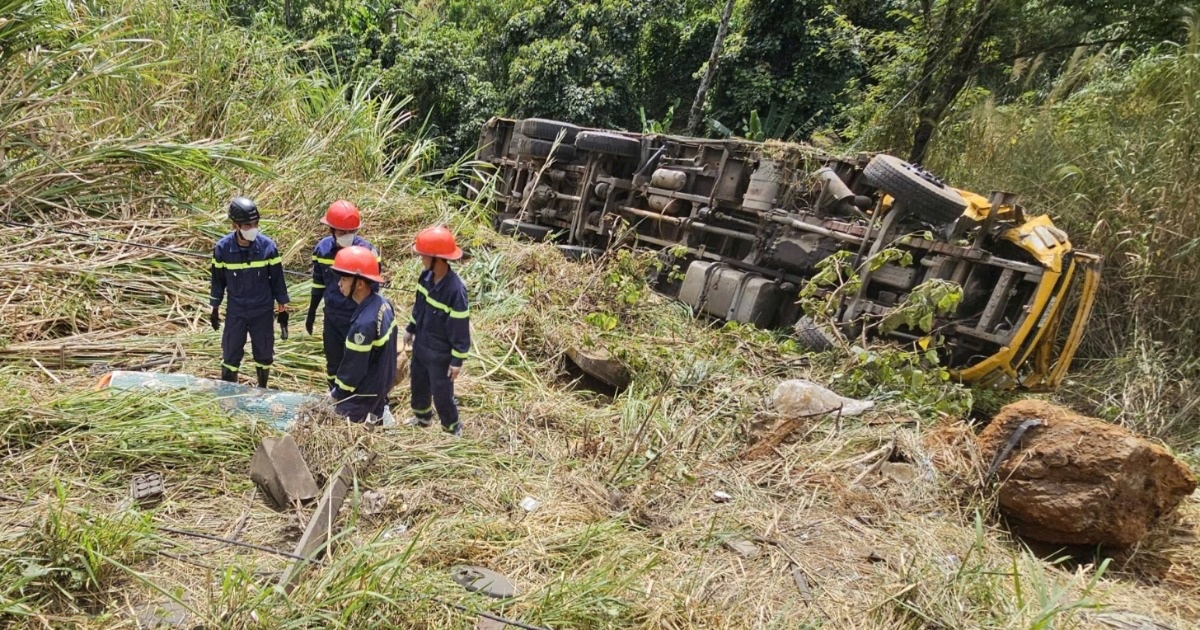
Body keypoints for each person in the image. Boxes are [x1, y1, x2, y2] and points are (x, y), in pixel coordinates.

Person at [209, 196, 290, 388]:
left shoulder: (268, 247)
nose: (253, 228)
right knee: (230, 352)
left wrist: (283, 311)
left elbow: (278, 280)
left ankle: (262, 388)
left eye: (255, 224)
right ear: (235, 225)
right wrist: (214, 309)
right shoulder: (222, 249)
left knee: (264, 353)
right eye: (247, 225)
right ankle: (228, 391)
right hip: (236, 311)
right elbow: (218, 282)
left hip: (262, 310)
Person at [304, 200, 381, 388]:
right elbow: (318, 283)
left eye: (350, 232)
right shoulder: (322, 250)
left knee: (358, 364)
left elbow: (374, 291)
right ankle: (334, 397)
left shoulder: (368, 253)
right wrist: (312, 312)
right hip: (332, 318)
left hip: (357, 319)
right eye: (341, 232)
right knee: (334, 364)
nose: (346, 236)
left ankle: (360, 399)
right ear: (331, 229)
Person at [405, 226, 471, 435]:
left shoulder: (455, 290)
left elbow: (460, 328)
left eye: (424, 256)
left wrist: (457, 360)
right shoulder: (425, 278)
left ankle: (452, 428)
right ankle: (422, 418)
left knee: (442, 394)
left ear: (438, 259)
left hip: (441, 354)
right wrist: (411, 328)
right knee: (418, 385)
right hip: (421, 346)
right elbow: (419, 307)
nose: (421, 259)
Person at [328, 245, 398, 425]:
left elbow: (353, 368)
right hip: (380, 388)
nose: (339, 284)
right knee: (374, 425)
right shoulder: (384, 304)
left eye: (344, 279)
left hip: (362, 396)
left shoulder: (364, 324)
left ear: (359, 284)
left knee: (344, 430)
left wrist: (337, 394)